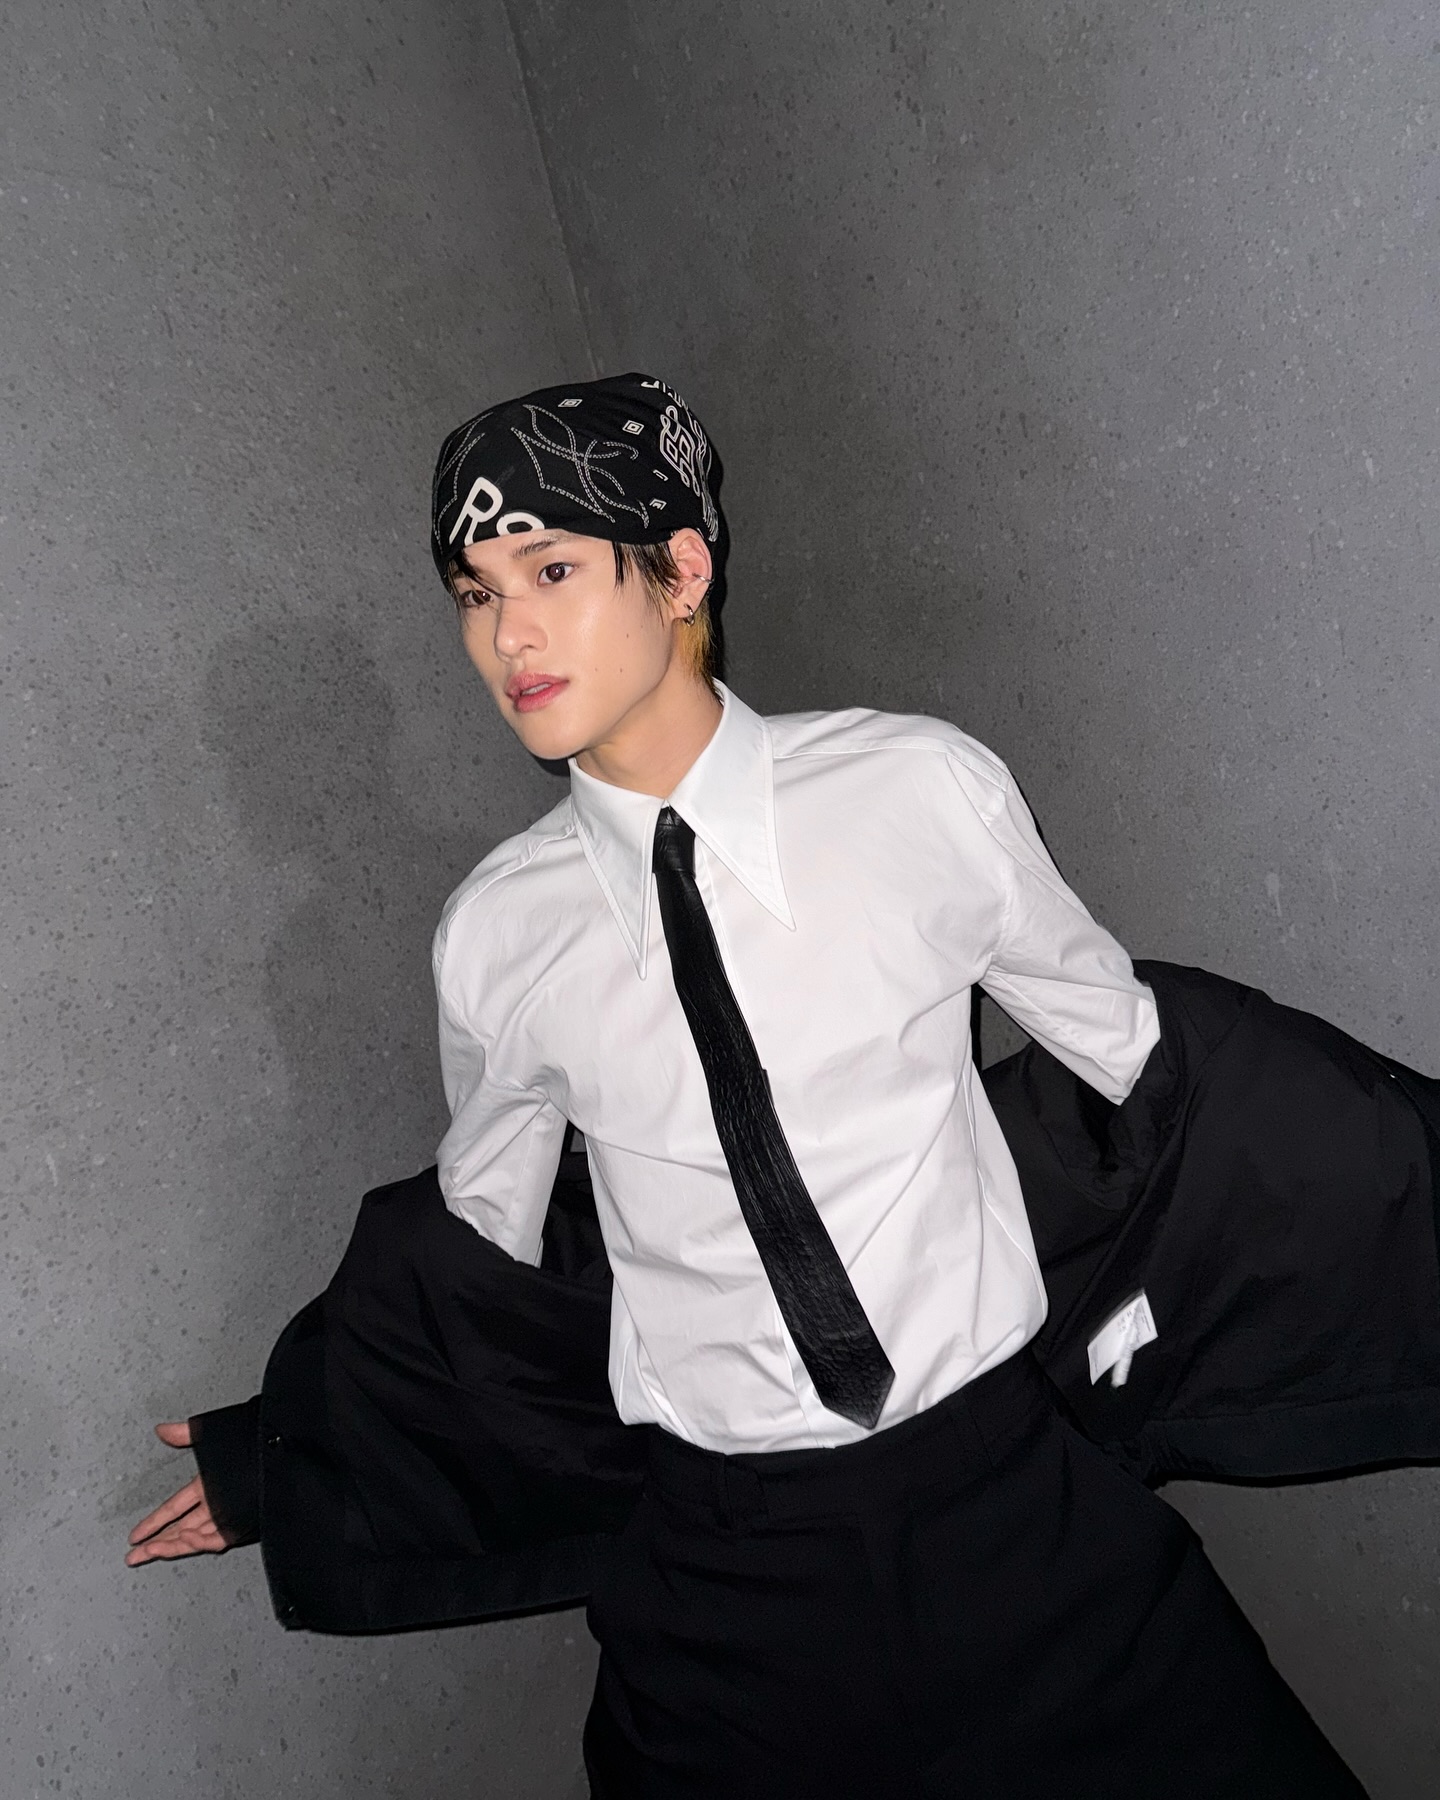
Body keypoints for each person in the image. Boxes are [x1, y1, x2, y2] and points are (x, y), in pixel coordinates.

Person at [128, 373, 1368, 1797]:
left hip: (1025, 1529)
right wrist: (296, 1453)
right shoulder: (495, 935)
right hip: (731, 1599)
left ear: (681, 569)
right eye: (474, 594)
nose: (507, 633)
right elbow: (479, 1264)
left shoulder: (920, 791)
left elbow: (1155, 1071)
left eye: (550, 570)